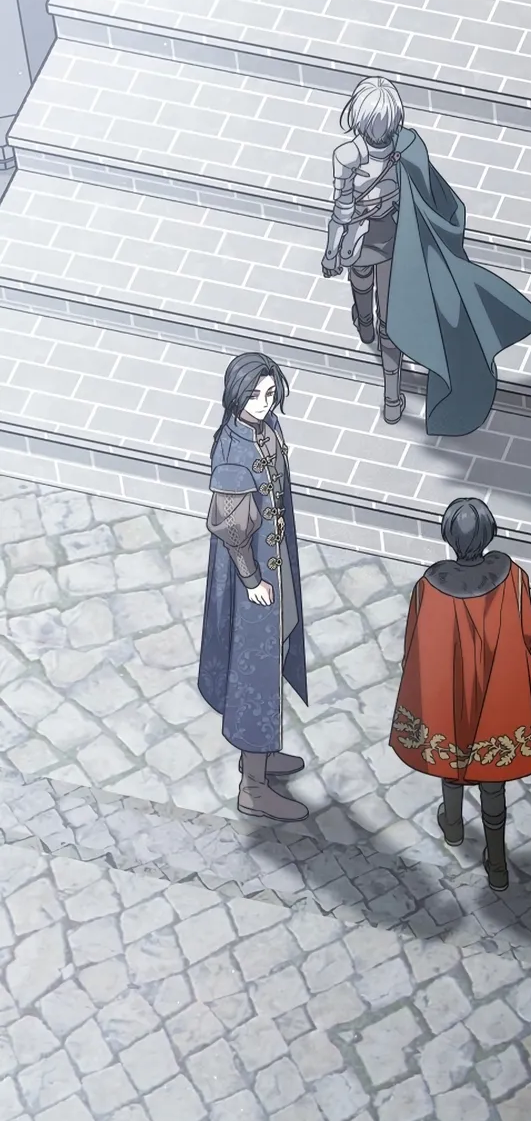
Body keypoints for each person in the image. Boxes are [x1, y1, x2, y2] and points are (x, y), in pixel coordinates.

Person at [321, 71, 531, 432]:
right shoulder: (408, 147)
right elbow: (433, 196)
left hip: (362, 244)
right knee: (389, 320)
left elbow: (341, 212)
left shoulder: (347, 156)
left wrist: (330, 254)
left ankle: (365, 329)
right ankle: (392, 398)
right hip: (395, 243)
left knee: (363, 287)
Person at [390, 493, 531, 888]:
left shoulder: (429, 586)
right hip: (497, 688)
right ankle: (498, 865)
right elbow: (529, 633)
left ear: (448, 536)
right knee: (493, 778)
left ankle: (453, 827)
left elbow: (416, 644)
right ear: (489, 533)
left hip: (450, 690)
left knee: (450, 758)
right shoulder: (513, 577)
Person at [197, 346, 308, 820]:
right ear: (236, 395)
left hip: (273, 561)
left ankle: (259, 755)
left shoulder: (266, 428)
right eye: (255, 395)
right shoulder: (233, 451)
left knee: (274, 654)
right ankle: (253, 786)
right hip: (254, 577)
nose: (264, 403)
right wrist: (251, 579)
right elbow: (231, 527)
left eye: (269, 394)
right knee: (255, 672)